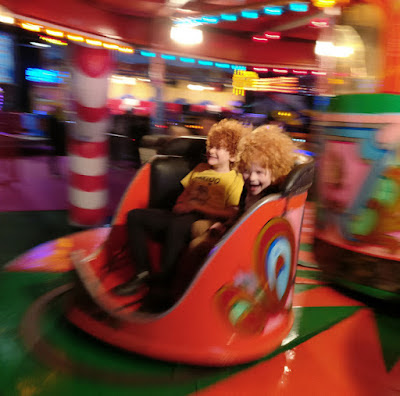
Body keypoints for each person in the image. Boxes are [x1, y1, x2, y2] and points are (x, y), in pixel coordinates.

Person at [113, 119, 250, 296]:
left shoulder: (234, 177)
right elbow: (185, 193)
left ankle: (164, 283)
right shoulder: (200, 168)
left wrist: (196, 207)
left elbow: (231, 211)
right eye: (210, 146)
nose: (211, 150)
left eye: (218, 148)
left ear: (232, 155)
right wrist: (180, 203)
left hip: (203, 221)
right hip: (182, 215)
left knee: (178, 225)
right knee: (135, 216)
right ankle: (142, 273)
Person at [174, 124, 298, 296]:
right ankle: (195, 283)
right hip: (237, 230)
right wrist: (225, 226)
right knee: (198, 227)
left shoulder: (271, 199)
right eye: (247, 172)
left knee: (198, 246)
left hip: (250, 243)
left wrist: (229, 232)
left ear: (275, 172)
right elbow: (240, 213)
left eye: (260, 173)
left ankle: (184, 291)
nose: (252, 178)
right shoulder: (247, 191)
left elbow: (255, 229)